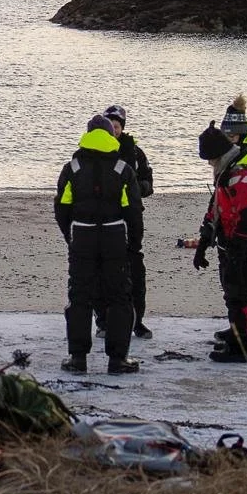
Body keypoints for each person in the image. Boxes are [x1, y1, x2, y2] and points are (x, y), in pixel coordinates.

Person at [55, 115, 142, 376]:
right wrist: (133, 244)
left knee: (79, 296)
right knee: (119, 297)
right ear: (109, 136)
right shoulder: (122, 168)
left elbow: (62, 208)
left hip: (82, 235)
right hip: (115, 235)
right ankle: (118, 360)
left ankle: (78, 358)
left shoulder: (73, 167)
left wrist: (70, 235)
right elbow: (133, 211)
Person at [193, 120, 247, 363]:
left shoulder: (243, 174)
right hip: (230, 241)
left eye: (210, 159)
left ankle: (244, 346)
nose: (209, 164)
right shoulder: (227, 172)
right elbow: (216, 208)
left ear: (218, 155)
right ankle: (236, 331)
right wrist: (205, 240)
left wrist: (238, 250)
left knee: (241, 294)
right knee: (231, 292)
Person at [101, 104, 155, 340]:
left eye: (117, 126)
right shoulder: (97, 151)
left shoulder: (135, 152)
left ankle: (137, 321)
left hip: (131, 218)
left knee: (135, 271)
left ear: (122, 128)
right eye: (110, 126)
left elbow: (148, 184)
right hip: (104, 220)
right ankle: (103, 321)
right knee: (103, 272)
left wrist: (134, 189)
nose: (113, 130)